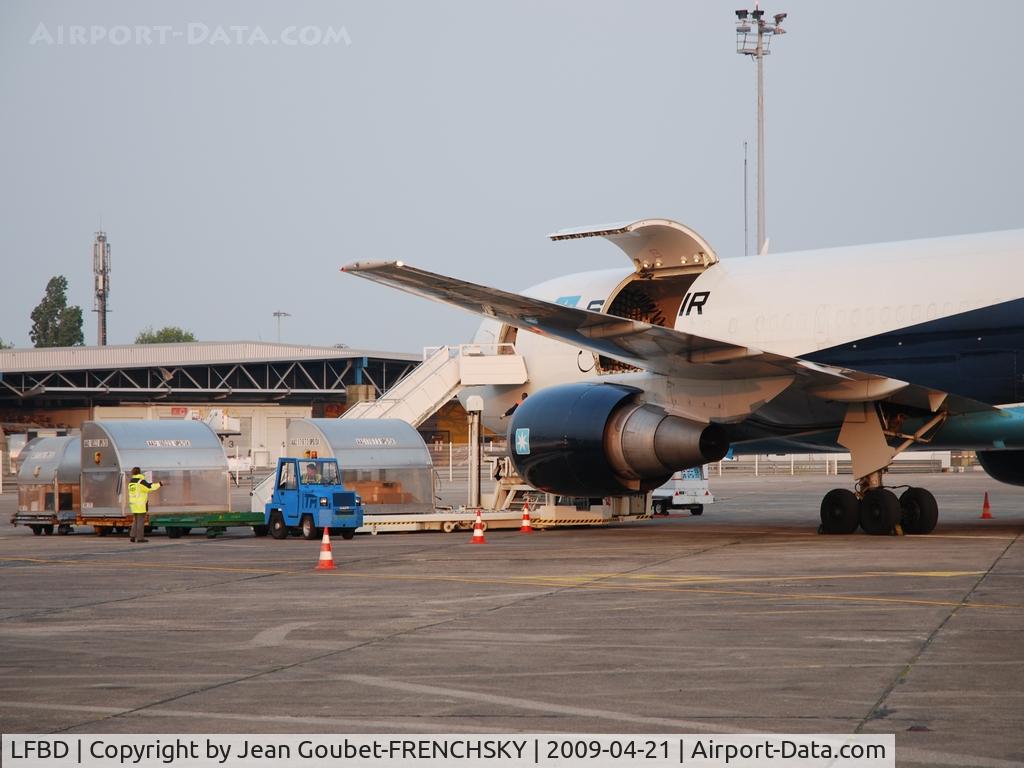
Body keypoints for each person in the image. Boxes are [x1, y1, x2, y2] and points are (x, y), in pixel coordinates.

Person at [127, 467, 161, 543]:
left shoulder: (131, 482)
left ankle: (132, 536)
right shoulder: (141, 481)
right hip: (140, 504)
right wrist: (160, 484)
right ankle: (140, 538)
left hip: (133, 504)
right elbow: (150, 487)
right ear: (140, 472)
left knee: (135, 520)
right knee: (140, 522)